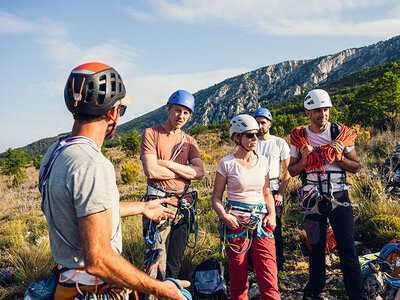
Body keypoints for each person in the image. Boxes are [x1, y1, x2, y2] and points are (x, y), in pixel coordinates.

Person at [39, 62, 189, 300]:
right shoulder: (92, 164)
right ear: (113, 112)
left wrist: (141, 207)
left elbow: (82, 213)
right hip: (91, 290)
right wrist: (161, 288)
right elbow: (98, 260)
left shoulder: (55, 153)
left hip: (65, 287)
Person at [287, 89, 365, 300]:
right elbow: (292, 171)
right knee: (316, 247)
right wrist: (304, 160)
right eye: (318, 111)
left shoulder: (341, 134)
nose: (323, 114)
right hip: (312, 197)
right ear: (307, 113)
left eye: (326, 110)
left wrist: (339, 157)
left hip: (339, 195)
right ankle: (314, 288)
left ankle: (356, 294)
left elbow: (356, 166)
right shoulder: (299, 138)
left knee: (347, 246)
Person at [140, 90, 204, 296]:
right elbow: (151, 170)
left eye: (186, 113)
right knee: (155, 264)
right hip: (157, 204)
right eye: (177, 110)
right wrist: (185, 170)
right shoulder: (151, 134)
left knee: (174, 266)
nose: (181, 116)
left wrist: (167, 163)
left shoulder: (190, 141)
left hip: (182, 207)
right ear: (168, 109)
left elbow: (200, 173)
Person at [212, 114, 280, 300]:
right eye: (249, 135)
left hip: (261, 224)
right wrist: (225, 217)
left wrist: (272, 215)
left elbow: (267, 193)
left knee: (269, 279)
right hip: (236, 227)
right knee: (238, 282)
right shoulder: (226, 163)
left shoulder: (263, 161)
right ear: (237, 138)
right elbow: (216, 198)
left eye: (256, 135)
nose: (254, 139)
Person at [253, 107, 291, 280]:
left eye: (263, 122)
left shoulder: (279, 142)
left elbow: (287, 170)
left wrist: (280, 193)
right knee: (253, 226)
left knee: (275, 227)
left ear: (269, 123)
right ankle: (254, 266)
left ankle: (279, 265)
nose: (260, 126)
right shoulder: (251, 142)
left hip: (274, 188)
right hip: (254, 189)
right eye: (257, 123)